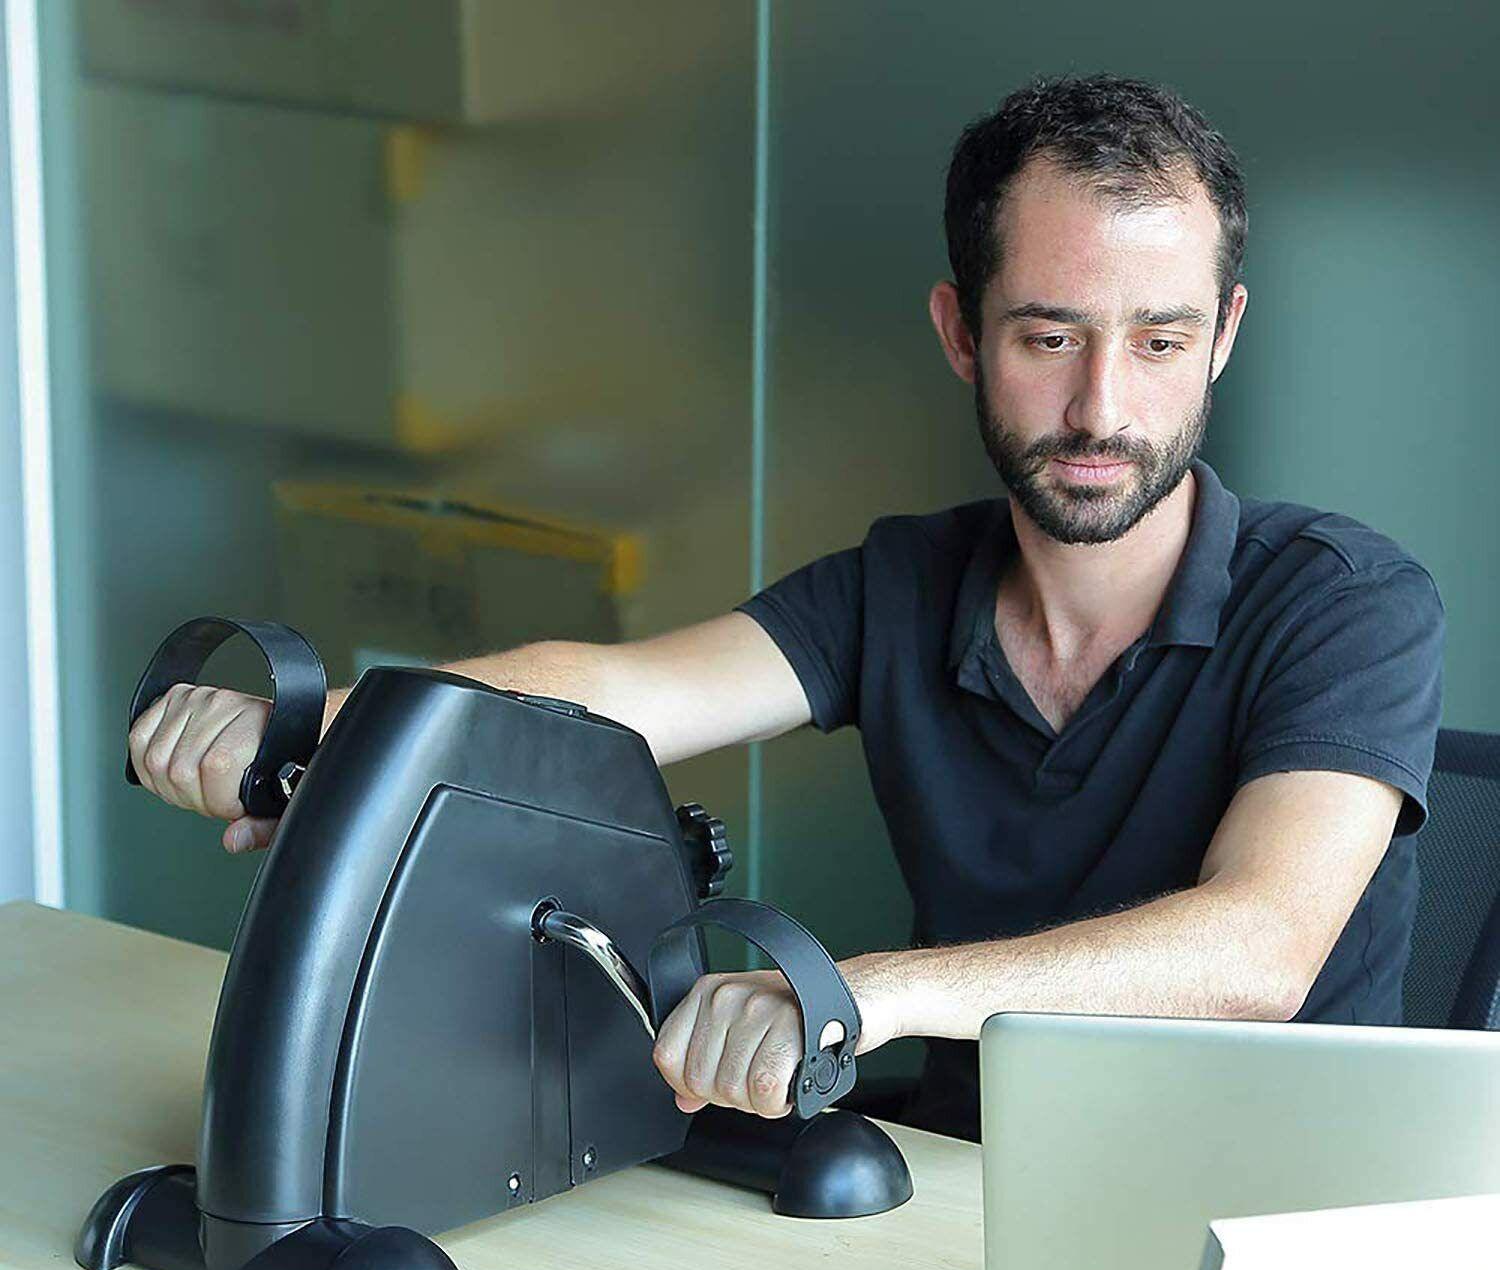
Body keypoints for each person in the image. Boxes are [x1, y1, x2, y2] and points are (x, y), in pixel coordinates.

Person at [127, 74, 1444, 1142]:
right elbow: (610, 690)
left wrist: (869, 996)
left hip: (1282, 1231)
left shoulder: (1345, 605)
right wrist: (302, 739)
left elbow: (1259, 952)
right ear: (960, 333)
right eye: (1049, 338)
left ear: (1220, 337)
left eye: (1157, 342)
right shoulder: (903, 585)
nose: (1103, 407)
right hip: (957, 1210)